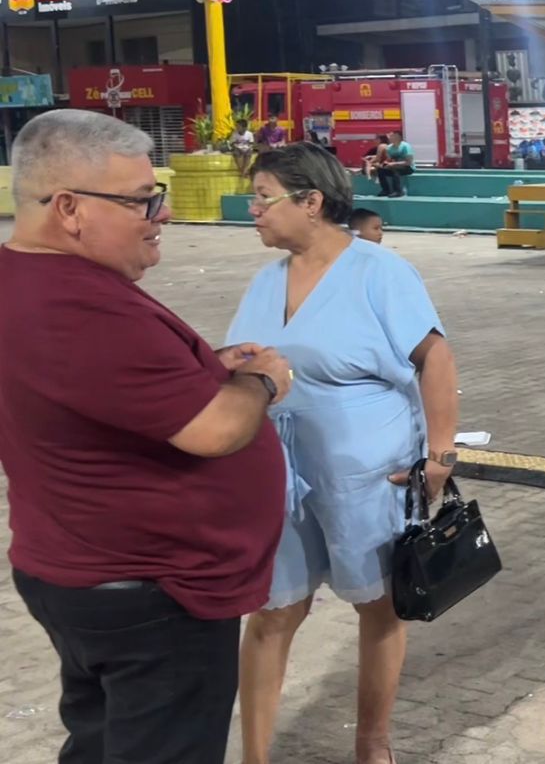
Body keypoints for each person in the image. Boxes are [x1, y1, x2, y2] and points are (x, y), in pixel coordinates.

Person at [0, 110, 291, 763]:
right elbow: (215, 431)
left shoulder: (21, 278)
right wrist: (262, 383)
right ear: (69, 208)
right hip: (152, 595)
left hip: (84, 574)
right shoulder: (77, 304)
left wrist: (199, 371)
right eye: (141, 201)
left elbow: (88, 393)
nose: (159, 215)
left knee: (104, 744)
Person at [229, 142, 460, 764]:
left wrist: (440, 456)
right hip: (283, 476)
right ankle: (253, 757)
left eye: (263, 197)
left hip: (368, 475)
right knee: (274, 611)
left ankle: (372, 744)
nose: (252, 210)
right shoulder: (266, 278)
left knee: (379, 605)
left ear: (311, 202)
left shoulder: (378, 272)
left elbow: (434, 359)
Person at [376, 131, 414, 197]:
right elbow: (389, 159)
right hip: (394, 166)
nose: (389, 138)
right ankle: (386, 190)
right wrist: (386, 163)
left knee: (395, 171)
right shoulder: (389, 148)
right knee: (380, 170)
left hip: (407, 167)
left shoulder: (406, 146)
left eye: (392, 136)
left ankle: (398, 191)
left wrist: (393, 164)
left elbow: (408, 162)